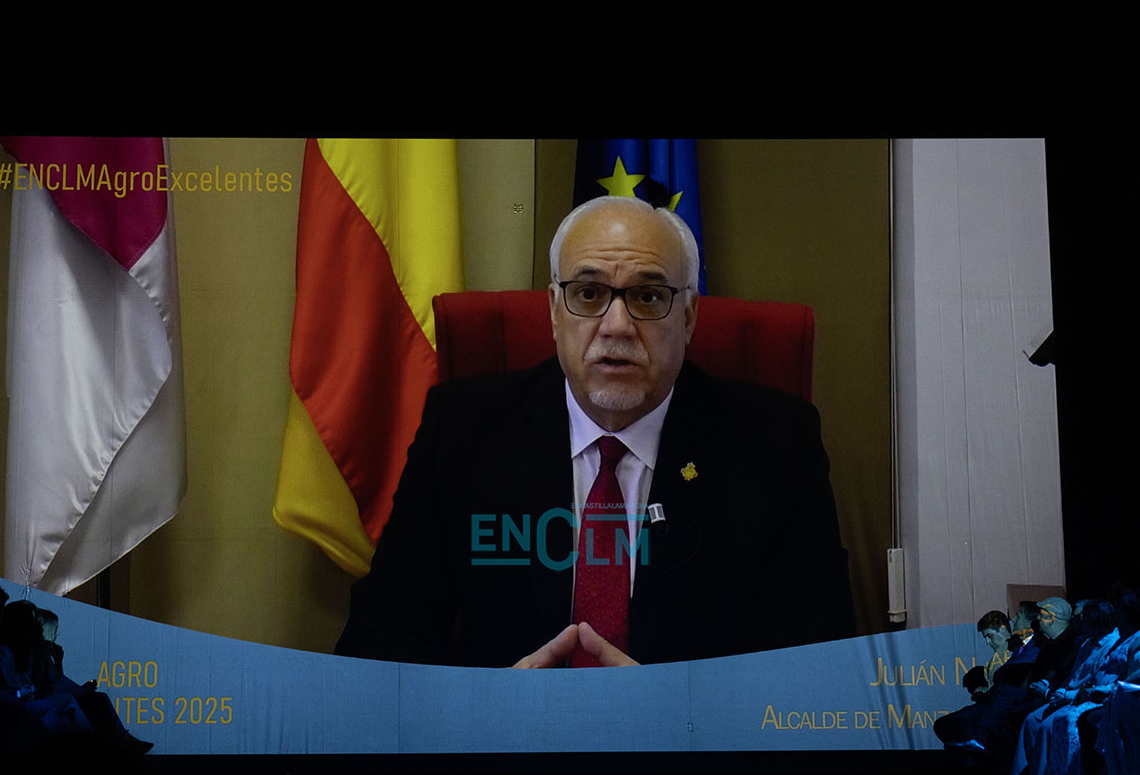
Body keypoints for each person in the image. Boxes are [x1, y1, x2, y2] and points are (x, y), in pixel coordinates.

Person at [335, 196, 856, 668]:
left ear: (688, 317)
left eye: (648, 296)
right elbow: (379, 644)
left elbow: (816, 665)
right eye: (588, 294)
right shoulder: (463, 432)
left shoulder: (776, 445)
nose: (617, 325)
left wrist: (674, 713)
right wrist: (494, 709)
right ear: (553, 311)